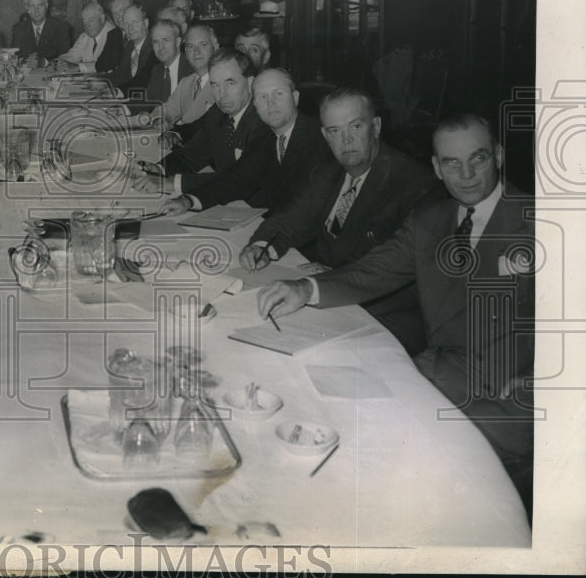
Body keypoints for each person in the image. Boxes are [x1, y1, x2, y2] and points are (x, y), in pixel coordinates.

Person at [255, 113, 535, 515]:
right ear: (437, 168)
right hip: (438, 371)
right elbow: (374, 271)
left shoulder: (544, 222)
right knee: (329, 403)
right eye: (452, 163)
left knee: (395, 456)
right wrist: (306, 288)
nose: (467, 174)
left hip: (510, 400)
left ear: (499, 155)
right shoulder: (431, 219)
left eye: (479, 159)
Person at [240, 88, 437, 353]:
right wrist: (262, 245)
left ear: (376, 127)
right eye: (334, 131)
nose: (345, 139)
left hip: (383, 313)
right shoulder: (329, 172)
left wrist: (320, 284)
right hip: (327, 296)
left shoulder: (412, 183)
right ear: (325, 135)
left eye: (355, 126)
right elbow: (291, 219)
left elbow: (392, 273)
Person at [161, 68, 330, 216]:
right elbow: (236, 179)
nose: (270, 103)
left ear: (295, 97)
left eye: (278, 94)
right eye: (263, 96)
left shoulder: (320, 138)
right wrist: (188, 201)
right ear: (255, 104)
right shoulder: (268, 139)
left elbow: (307, 210)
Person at [134, 48, 264, 196]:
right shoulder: (218, 113)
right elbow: (191, 155)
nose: (221, 95)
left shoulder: (263, 121)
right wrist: (160, 169)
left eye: (230, 84)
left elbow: (239, 178)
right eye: (215, 85)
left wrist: (170, 183)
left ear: (250, 83)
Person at [154, 24, 218, 138]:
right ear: (186, 54)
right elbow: (167, 110)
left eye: (203, 45)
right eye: (190, 46)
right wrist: (161, 120)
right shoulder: (186, 82)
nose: (196, 51)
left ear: (215, 47)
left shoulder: (222, 83)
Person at [55, 0, 124, 75]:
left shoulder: (113, 35)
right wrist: (59, 62)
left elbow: (104, 65)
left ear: (102, 18)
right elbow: (73, 54)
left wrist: (77, 67)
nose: (87, 26)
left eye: (91, 20)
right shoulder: (85, 36)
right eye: (84, 21)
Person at [106, 3, 158, 98]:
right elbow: (121, 74)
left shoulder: (155, 47)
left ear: (146, 23)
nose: (130, 28)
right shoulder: (129, 46)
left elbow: (143, 81)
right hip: (130, 98)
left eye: (134, 22)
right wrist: (97, 81)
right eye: (126, 24)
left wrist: (116, 92)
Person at [11, 0, 72, 64]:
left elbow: (66, 57)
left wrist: (44, 62)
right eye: (32, 6)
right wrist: (24, 61)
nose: (36, 10)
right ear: (27, 8)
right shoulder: (18, 29)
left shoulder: (61, 27)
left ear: (46, 5)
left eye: (40, 5)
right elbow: (14, 56)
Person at [144, 19, 193, 104]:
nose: (160, 47)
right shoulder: (157, 70)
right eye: (156, 42)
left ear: (178, 42)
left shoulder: (191, 68)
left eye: (166, 40)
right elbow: (147, 102)